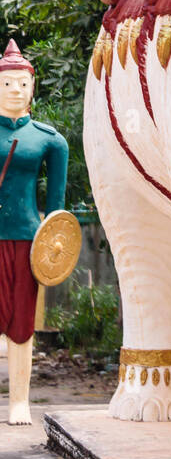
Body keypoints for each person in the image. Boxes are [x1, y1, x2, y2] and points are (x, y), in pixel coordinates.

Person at [0, 40, 68, 426]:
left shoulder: (49, 140)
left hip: (26, 236)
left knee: (22, 323)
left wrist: (55, 249)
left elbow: (58, 208)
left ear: (32, 87)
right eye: (7, 83)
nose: (14, 90)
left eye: (21, 83)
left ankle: (19, 401)